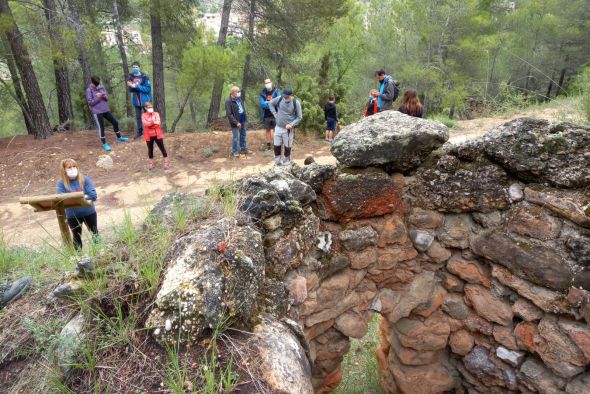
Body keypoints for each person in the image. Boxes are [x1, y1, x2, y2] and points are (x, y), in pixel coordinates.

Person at [57, 159, 98, 250]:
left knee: (95, 233)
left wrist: (72, 198)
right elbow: (61, 199)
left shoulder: (84, 179)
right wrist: (83, 196)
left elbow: (93, 196)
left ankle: (101, 253)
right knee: (76, 236)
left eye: (74, 166)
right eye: (69, 167)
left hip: (89, 212)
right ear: (64, 169)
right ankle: (79, 258)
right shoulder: (61, 183)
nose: (72, 169)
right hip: (72, 216)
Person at [86, 76, 128, 151]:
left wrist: (103, 95)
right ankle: (104, 144)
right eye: (97, 84)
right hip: (97, 112)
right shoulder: (89, 90)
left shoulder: (101, 87)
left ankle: (119, 138)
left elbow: (107, 98)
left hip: (105, 109)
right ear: (93, 83)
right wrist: (98, 97)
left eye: (99, 83)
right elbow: (90, 103)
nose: (98, 85)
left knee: (115, 122)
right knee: (101, 127)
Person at [269, 87, 302, 166]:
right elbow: (271, 103)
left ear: (290, 95)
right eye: (284, 95)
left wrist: (291, 124)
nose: (285, 97)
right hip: (278, 127)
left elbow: (299, 117)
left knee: (287, 147)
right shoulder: (280, 98)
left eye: (286, 96)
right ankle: (277, 163)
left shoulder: (296, 103)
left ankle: (287, 163)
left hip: (287, 130)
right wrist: (274, 113)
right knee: (276, 146)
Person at [127, 61, 152, 139]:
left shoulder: (145, 77)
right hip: (136, 101)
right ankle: (140, 132)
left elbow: (147, 89)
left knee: (148, 116)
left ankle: (150, 132)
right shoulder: (131, 77)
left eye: (136, 67)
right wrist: (130, 86)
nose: (135, 69)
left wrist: (136, 86)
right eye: (133, 67)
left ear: (139, 67)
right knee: (138, 117)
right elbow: (130, 90)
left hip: (146, 101)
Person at [142, 102, 170, 170]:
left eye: (151, 107)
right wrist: (152, 123)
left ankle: (166, 162)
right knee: (150, 149)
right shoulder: (143, 115)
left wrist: (150, 124)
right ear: (145, 108)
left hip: (157, 133)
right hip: (148, 135)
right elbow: (145, 123)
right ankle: (151, 164)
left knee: (162, 148)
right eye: (148, 107)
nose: (150, 108)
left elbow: (158, 123)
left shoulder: (156, 114)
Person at [225, 86, 248, 157]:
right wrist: (236, 122)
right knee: (236, 137)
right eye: (237, 91)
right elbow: (229, 114)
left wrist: (245, 115)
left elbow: (242, 107)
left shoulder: (239, 98)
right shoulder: (228, 101)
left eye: (239, 91)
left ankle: (243, 149)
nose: (239, 93)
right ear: (233, 92)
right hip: (235, 122)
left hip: (243, 120)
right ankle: (235, 151)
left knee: (243, 135)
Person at [259, 79, 281, 150]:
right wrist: (272, 104)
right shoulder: (262, 93)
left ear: (271, 83)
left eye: (268, 82)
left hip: (275, 114)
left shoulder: (276, 91)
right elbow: (262, 104)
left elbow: (279, 101)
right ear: (264, 84)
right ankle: (268, 145)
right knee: (268, 130)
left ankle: (276, 144)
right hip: (266, 115)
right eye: (266, 83)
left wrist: (268, 103)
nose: (267, 84)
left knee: (276, 130)